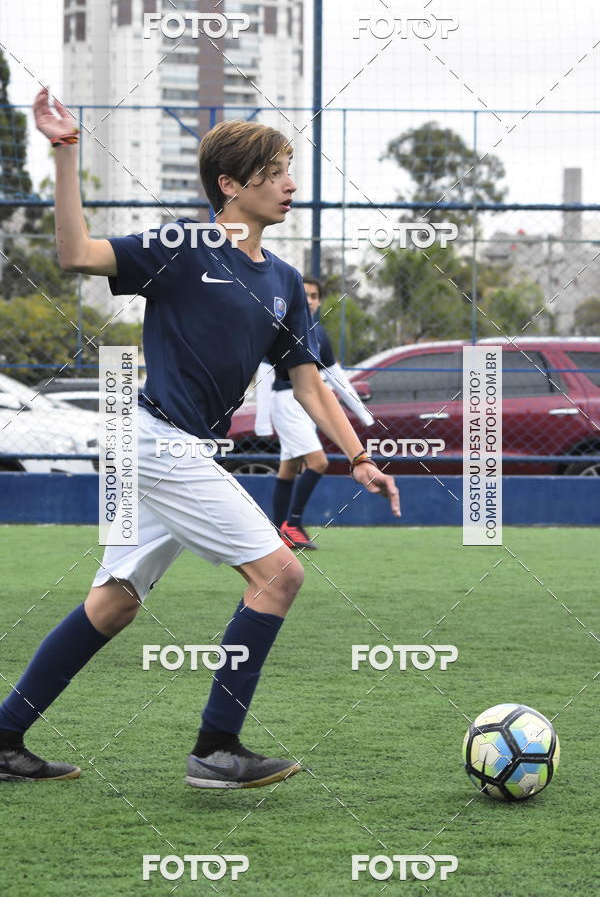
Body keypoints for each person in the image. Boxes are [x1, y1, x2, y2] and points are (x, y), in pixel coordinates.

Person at [0, 87, 399, 790]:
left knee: (114, 600)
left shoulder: (280, 280)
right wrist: (65, 153)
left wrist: (359, 456)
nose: (291, 184)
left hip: (172, 447)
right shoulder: (181, 248)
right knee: (280, 574)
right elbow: (73, 253)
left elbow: (309, 386)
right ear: (230, 185)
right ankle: (217, 748)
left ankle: (2, 738)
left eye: (288, 169)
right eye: (276, 171)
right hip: (155, 440)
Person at [254, 277, 375, 549]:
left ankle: (278, 530)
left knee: (289, 467)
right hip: (286, 402)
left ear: (319, 301)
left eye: (313, 295)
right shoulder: (280, 329)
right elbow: (263, 372)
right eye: (304, 294)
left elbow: (336, 376)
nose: (308, 299)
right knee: (318, 462)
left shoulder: (318, 333)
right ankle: (293, 525)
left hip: (309, 407)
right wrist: (262, 422)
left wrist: (362, 413)